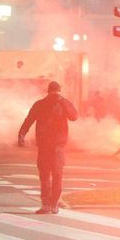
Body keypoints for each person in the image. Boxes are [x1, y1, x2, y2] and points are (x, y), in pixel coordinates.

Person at [18, 80, 78, 214]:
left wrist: (21, 134)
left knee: (45, 176)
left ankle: (46, 204)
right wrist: (63, 101)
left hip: (44, 145)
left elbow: (29, 120)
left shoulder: (39, 104)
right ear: (59, 90)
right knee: (57, 175)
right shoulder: (63, 103)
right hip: (57, 146)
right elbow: (74, 116)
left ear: (48, 91)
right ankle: (54, 204)